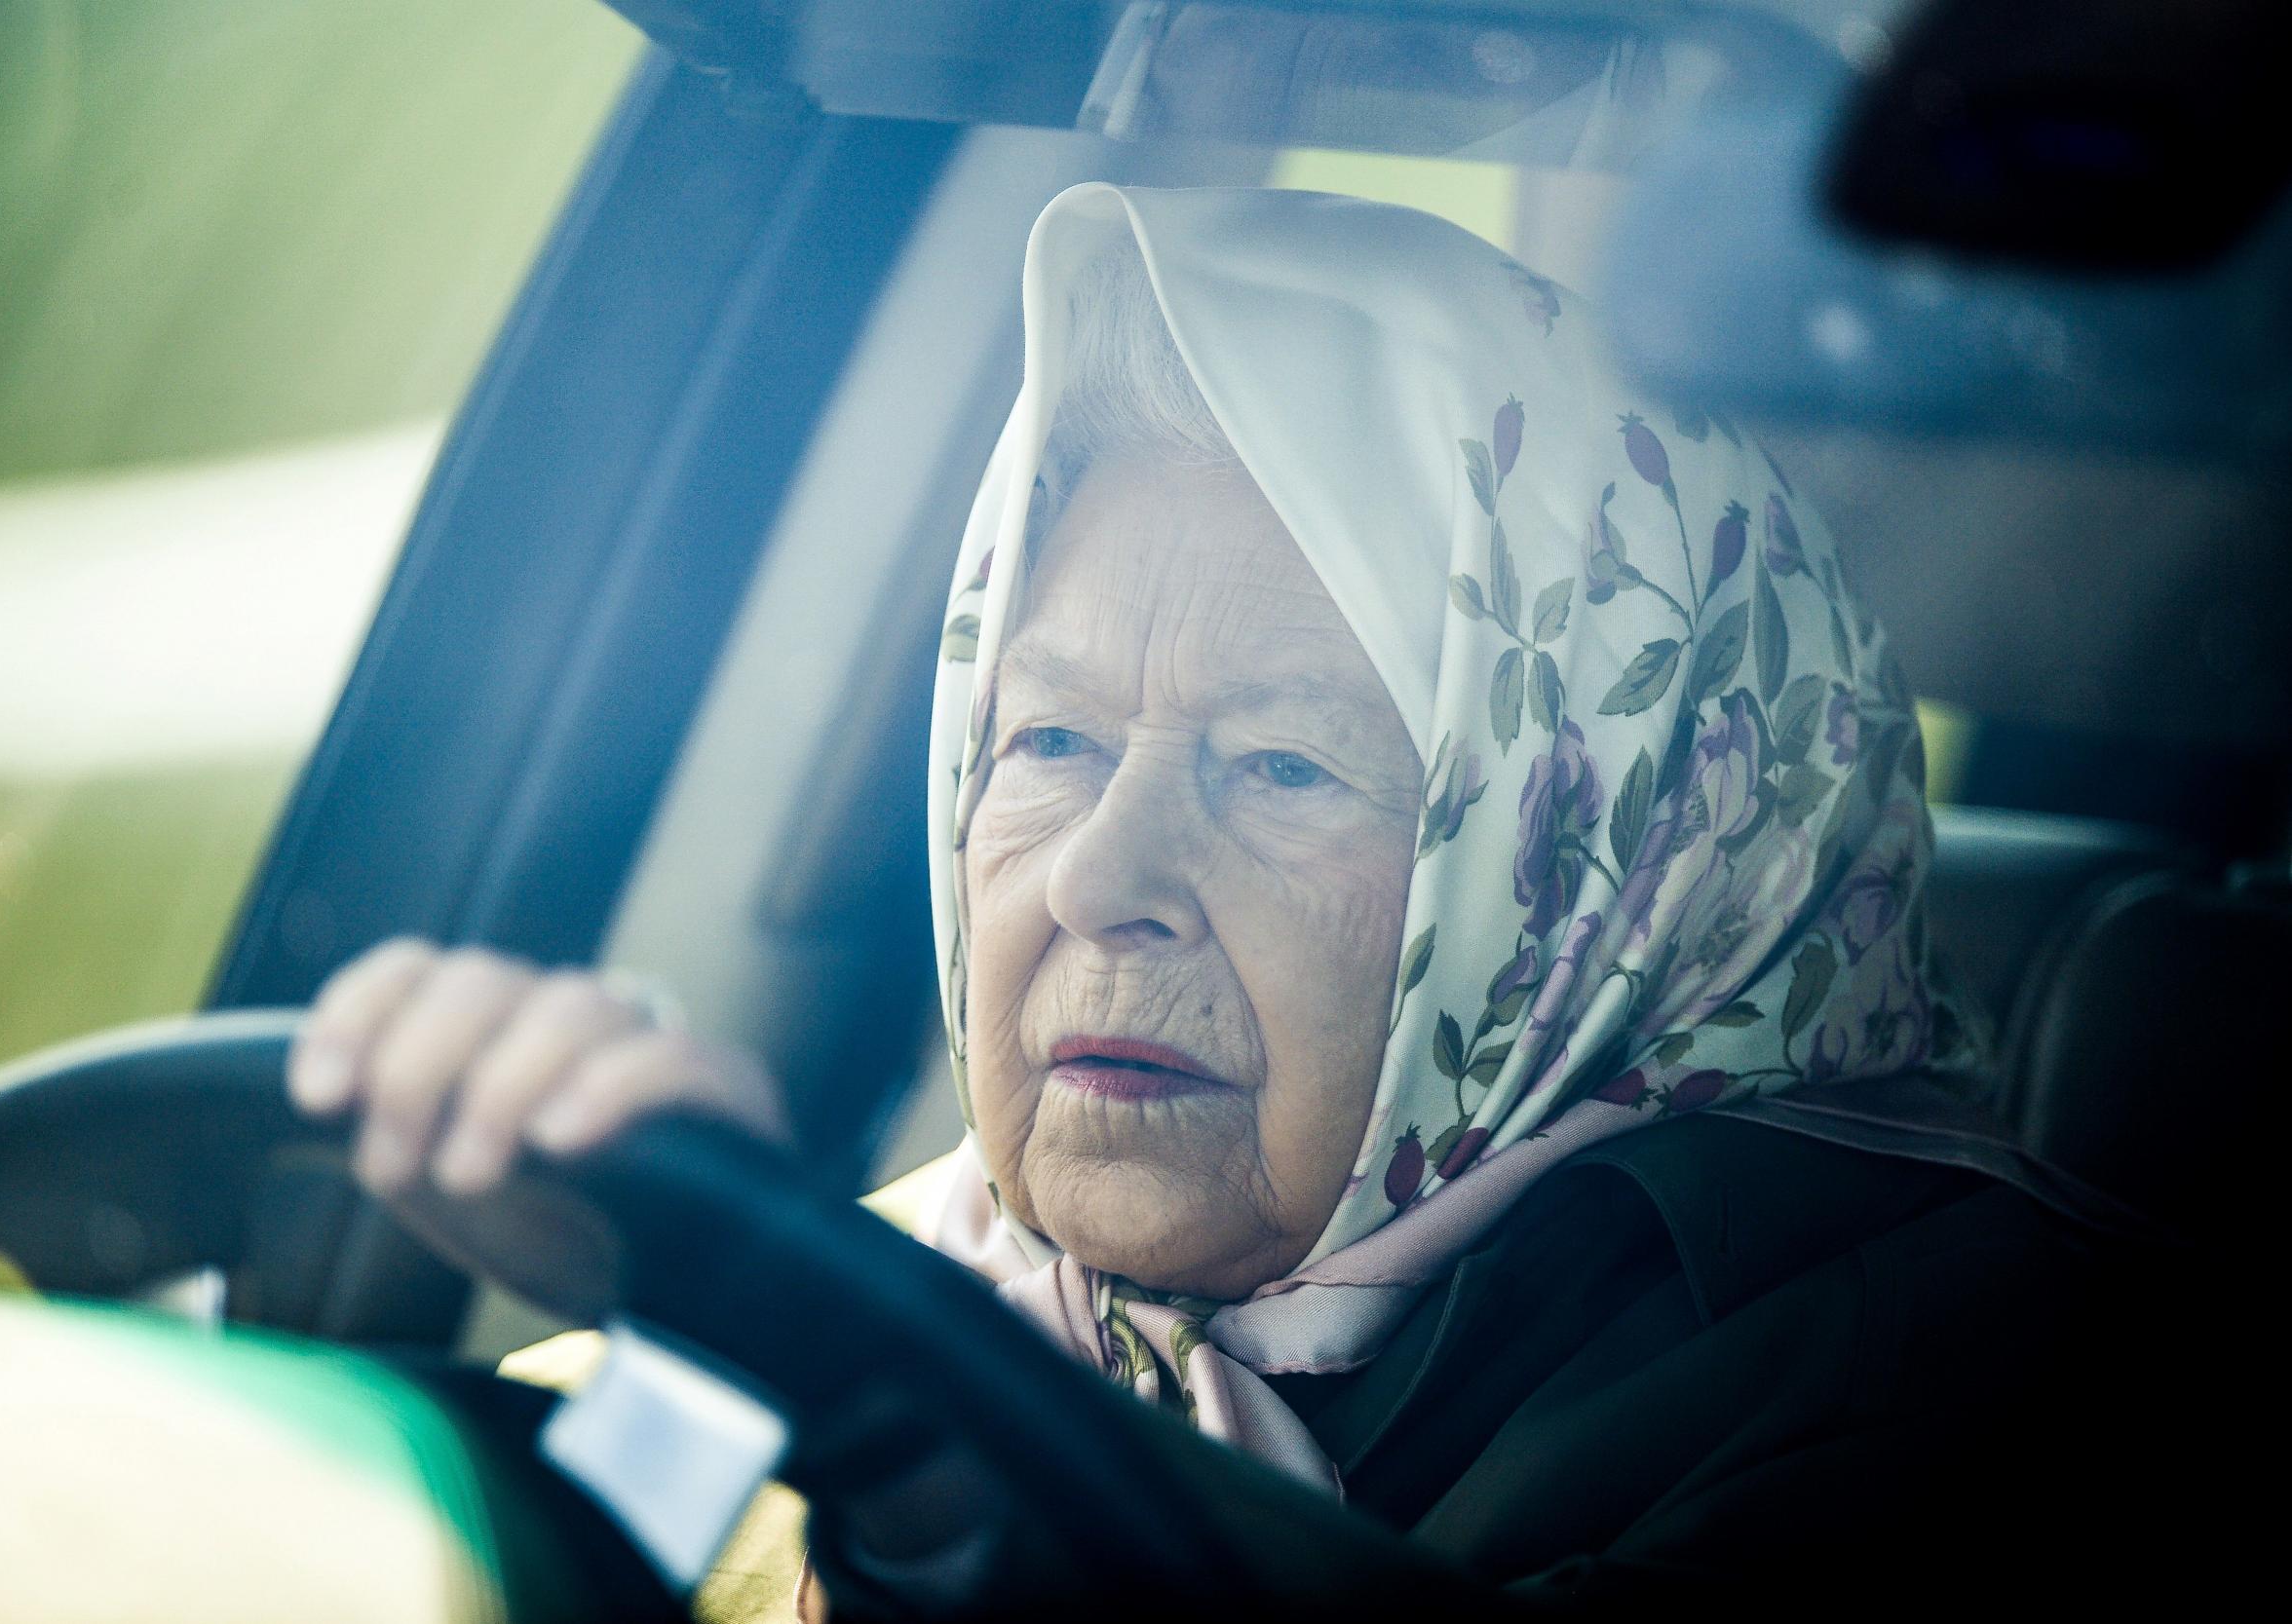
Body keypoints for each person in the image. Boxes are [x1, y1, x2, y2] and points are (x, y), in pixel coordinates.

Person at [288, 184, 2177, 1611]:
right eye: (1042, 745)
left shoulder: (1968, 1399)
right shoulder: (875, 1267)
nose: (1107, 879)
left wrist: (903, 1460)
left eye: (1279, 768)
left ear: (1602, 865)